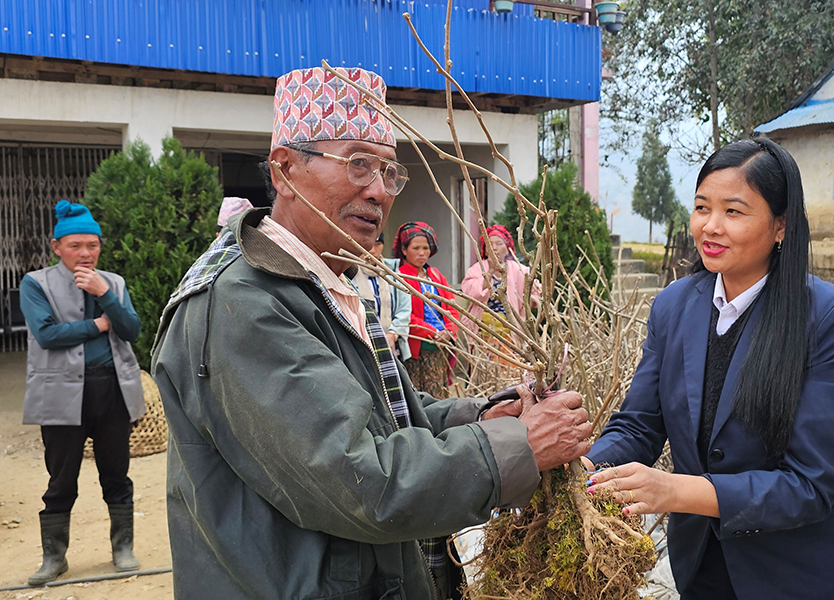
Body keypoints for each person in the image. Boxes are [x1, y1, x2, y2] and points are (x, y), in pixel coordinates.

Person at [151, 65, 593, 600]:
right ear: (285, 170)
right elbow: (361, 479)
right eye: (358, 164)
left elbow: (383, 417)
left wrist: (480, 415)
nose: (379, 191)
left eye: (389, 172)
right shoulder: (242, 303)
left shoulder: (323, 282)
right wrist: (519, 445)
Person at [583, 139, 834, 599]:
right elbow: (640, 426)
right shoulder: (673, 306)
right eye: (702, 207)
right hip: (705, 569)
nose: (711, 226)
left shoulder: (829, 320)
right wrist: (587, 469)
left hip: (809, 575)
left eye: (734, 211)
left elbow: (809, 484)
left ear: (781, 226)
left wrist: (674, 492)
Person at [20, 200, 145, 585]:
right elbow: (47, 334)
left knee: (117, 474)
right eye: (75, 245)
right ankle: (53, 557)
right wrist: (98, 325)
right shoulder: (36, 283)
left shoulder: (114, 282)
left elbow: (132, 329)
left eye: (92, 245)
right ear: (56, 247)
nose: (86, 253)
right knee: (60, 481)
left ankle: (123, 548)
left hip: (111, 391)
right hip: (60, 393)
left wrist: (104, 293)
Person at [395, 221, 461, 398]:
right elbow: (404, 315)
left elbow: (452, 307)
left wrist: (449, 330)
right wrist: (432, 331)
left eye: (425, 248)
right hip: (416, 348)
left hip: (440, 347)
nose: (422, 253)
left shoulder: (436, 275)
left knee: (439, 394)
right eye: (416, 248)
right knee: (419, 396)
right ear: (404, 250)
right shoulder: (399, 277)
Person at [460, 224, 539, 350]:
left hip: (511, 333)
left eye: (499, 243)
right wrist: (490, 272)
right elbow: (470, 292)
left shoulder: (519, 270)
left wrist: (526, 303)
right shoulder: (476, 269)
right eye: (490, 244)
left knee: (510, 367)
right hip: (483, 333)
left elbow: (536, 295)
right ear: (485, 249)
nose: (494, 248)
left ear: (508, 249)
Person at [352, 232, 412, 360]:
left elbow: (404, 309)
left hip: (392, 347)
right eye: (367, 244)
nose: (372, 250)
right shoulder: (349, 273)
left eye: (378, 244)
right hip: (363, 348)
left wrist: (392, 334)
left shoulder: (393, 273)